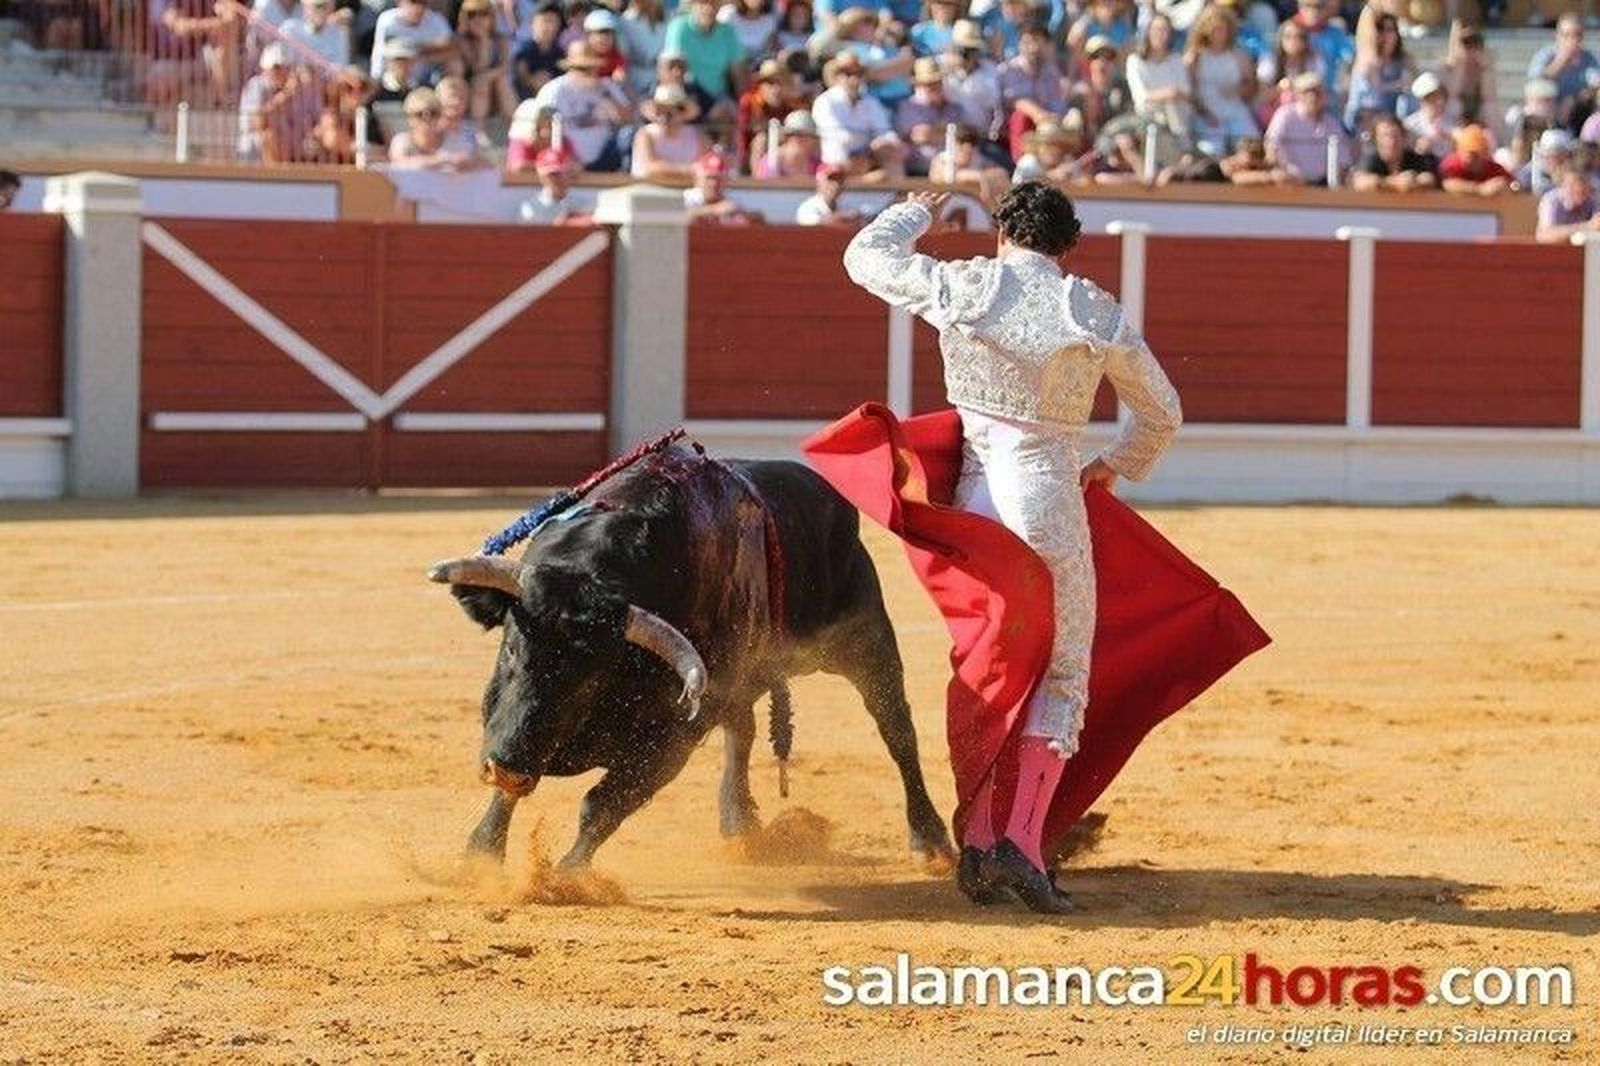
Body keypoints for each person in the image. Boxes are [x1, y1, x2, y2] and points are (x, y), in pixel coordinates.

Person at [840, 181, 1182, 913]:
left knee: (990, 663)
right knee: (1061, 670)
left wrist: (915, 212)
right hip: (1046, 500)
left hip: (971, 508)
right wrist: (1114, 464)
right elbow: (1163, 412)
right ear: (1069, 247)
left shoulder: (966, 286)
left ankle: (978, 841)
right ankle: (1020, 846)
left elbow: (865, 256)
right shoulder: (1090, 310)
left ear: (1002, 235)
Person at [529, 40, 632, 171]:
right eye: (580, 68)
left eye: (590, 67)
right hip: (566, 163)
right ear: (569, 67)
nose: (586, 73)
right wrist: (564, 156)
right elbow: (541, 132)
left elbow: (627, 119)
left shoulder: (608, 86)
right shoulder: (554, 90)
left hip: (606, 160)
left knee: (627, 136)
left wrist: (606, 94)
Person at [813, 50, 907, 176]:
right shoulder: (825, 101)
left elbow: (884, 131)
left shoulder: (871, 102)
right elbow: (840, 137)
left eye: (858, 73)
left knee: (892, 155)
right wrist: (871, 143)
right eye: (847, 73)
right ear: (837, 76)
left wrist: (892, 143)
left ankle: (897, 189)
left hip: (868, 159)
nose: (854, 78)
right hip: (837, 163)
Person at [1185, 5, 1258, 156]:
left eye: (1222, 29)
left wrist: (1239, 90)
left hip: (1235, 111)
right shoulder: (1194, 57)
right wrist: (1205, 114)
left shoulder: (1239, 56)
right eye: (1214, 29)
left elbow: (1251, 85)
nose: (1218, 33)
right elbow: (1189, 92)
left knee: (1252, 145)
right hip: (1206, 113)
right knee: (1211, 151)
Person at [1264, 71, 1350, 185]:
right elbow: (1271, 147)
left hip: (1324, 185)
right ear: (1297, 94)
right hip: (1291, 184)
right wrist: (1285, 171)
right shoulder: (1285, 115)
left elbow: (1343, 159)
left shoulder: (1332, 122)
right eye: (1308, 92)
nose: (1313, 97)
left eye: (1318, 92)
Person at [664, 0, 747, 104]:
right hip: (688, 96)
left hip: (720, 96)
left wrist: (744, 103)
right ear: (692, 4)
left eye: (714, 2)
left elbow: (738, 73)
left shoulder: (728, 32)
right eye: (703, 2)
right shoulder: (679, 27)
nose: (709, 8)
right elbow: (673, 72)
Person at [896, 56, 967, 175]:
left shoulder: (954, 107)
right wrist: (949, 133)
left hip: (953, 168)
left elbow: (963, 136)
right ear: (919, 85)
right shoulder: (909, 106)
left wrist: (938, 133)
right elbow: (921, 135)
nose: (934, 86)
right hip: (919, 170)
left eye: (937, 82)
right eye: (928, 83)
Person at [1526, 13, 1598, 122]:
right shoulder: (1546, 54)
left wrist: (1574, 99)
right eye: (1566, 35)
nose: (1572, 40)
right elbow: (1534, 80)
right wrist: (1559, 63)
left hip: (1577, 112)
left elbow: (1595, 81)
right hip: (1548, 110)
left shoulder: (1588, 58)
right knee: (1537, 90)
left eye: (1577, 35)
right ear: (1557, 36)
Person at [631, 84, 709, 177]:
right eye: (659, 111)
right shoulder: (645, 134)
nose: (664, 117)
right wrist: (687, 169)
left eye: (669, 112)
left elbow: (708, 162)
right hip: (650, 185)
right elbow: (649, 167)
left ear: (682, 112)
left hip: (687, 185)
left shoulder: (697, 135)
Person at [369, 0, 454, 80]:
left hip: (428, 76)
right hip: (393, 78)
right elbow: (381, 52)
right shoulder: (388, 20)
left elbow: (452, 49)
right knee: (400, 59)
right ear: (400, 2)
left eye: (423, 2)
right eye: (413, 1)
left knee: (454, 63)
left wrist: (422, 54)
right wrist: (376, 77)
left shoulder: (437, 20)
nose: (418, 7)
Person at [1351, 112, 1436, 191]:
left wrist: (1415, 181)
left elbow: (1429, 178)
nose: (1391, 141)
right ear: (1376, 140)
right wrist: (1394, 182)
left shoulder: (1414, 158)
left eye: (1395, 135)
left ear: (1403, 137)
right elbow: (1359, 182)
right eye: (1385, 135)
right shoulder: (1372, 159)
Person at [1439, 123, 1515, 195]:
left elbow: (1514, 184)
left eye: (1477, 154)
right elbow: (1447, 183)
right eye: (1469, 153)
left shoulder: (1492, 167)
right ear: (1460, 152)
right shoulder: (1452, 164)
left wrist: (1507, 186)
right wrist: (1480, 189)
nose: (1471, 158)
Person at [1535, 163, 1600, 243]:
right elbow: (1544, 235)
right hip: (1554, 248)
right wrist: (1587, 226)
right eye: (1572, 185)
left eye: (1583, 183)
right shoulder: (1551, 200)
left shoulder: (1593, 199)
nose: (1578, 188)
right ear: (1561, 185)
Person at [518, 146, 585, 222]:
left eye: (565, 173)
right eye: (554, 174)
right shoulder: (530, 209)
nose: (561, 178)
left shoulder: (581, 203)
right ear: (542, 178)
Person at [280, 0, 350, 67]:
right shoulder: (290, 29)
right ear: (305, 6)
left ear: (331, 6)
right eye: (318, 6)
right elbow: (283, 65)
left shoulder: (339, 35)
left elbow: (339, 69)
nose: (321, 11)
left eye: (325, 6)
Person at [795, 164, 863, 224]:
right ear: (819, 183)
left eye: (839, 180)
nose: (836, 184)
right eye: (831, 180)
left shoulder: (847, 206)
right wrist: (847, 218)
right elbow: (817, 224)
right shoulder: (807, 208)